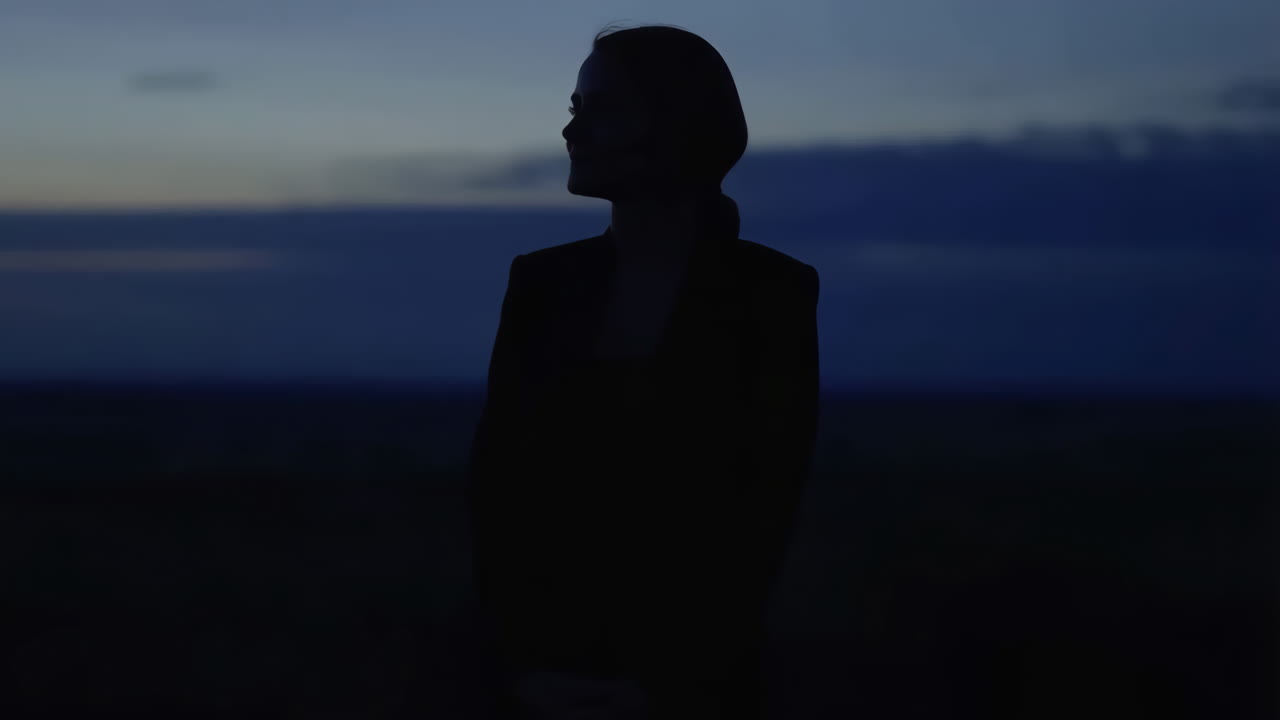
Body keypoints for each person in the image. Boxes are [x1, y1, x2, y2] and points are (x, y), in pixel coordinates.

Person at [464, 23, 820, 720]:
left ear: (677, 122)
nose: (571, 132)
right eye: (574, 109)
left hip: (692, 686)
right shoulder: (543, 283)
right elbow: (498, 490)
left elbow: (760, 509)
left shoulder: (769, 292)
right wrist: (523, 669)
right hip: (535, 677)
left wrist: (669, 687)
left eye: (601, 109)